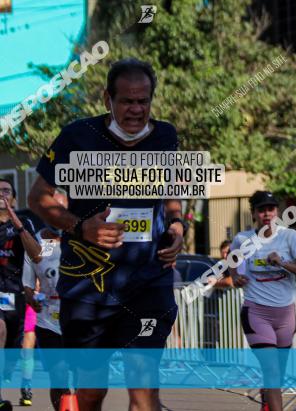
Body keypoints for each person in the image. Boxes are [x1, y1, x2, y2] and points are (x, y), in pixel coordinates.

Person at [28, 58, 186, 411]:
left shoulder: (165, 136)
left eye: (143, 101)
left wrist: (177, 227)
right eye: (127, 101)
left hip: (148, 281)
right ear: (107, 100)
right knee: (90, 392)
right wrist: (81, 226)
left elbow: (172, 195)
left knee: (143, 389)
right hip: (88, 287)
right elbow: (36, 197)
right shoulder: (77, 136)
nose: (135, 109)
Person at [229, 191, 296, 411]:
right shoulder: (242, 239)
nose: (267, 214)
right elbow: (233, 263)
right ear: (254, 213)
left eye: (271, 209)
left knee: (277, 375)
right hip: (256, 312)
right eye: (262, 210)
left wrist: (283, 262)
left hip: (285, 314)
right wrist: (236, 277)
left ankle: (267, 396)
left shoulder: (290, 236)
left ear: (277, 211)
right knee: (272, 370)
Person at [23, 189, 68, 411]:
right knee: (58, 376)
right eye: (52, 212)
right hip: (48, 320)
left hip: (78, 317)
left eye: (61, 211)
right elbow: (30, 277)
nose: (57, 217)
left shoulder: (82, 237)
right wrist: (30, 293)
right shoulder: (41, 242)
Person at [0, 177, 42, 411]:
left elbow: (37, 255)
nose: (2, 194)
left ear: (14, 199)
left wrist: (16, 223)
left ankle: (25, 384)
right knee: (0, 330)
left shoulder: (24, 222)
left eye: (6, 191)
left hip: (22, 294)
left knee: (23, 349)